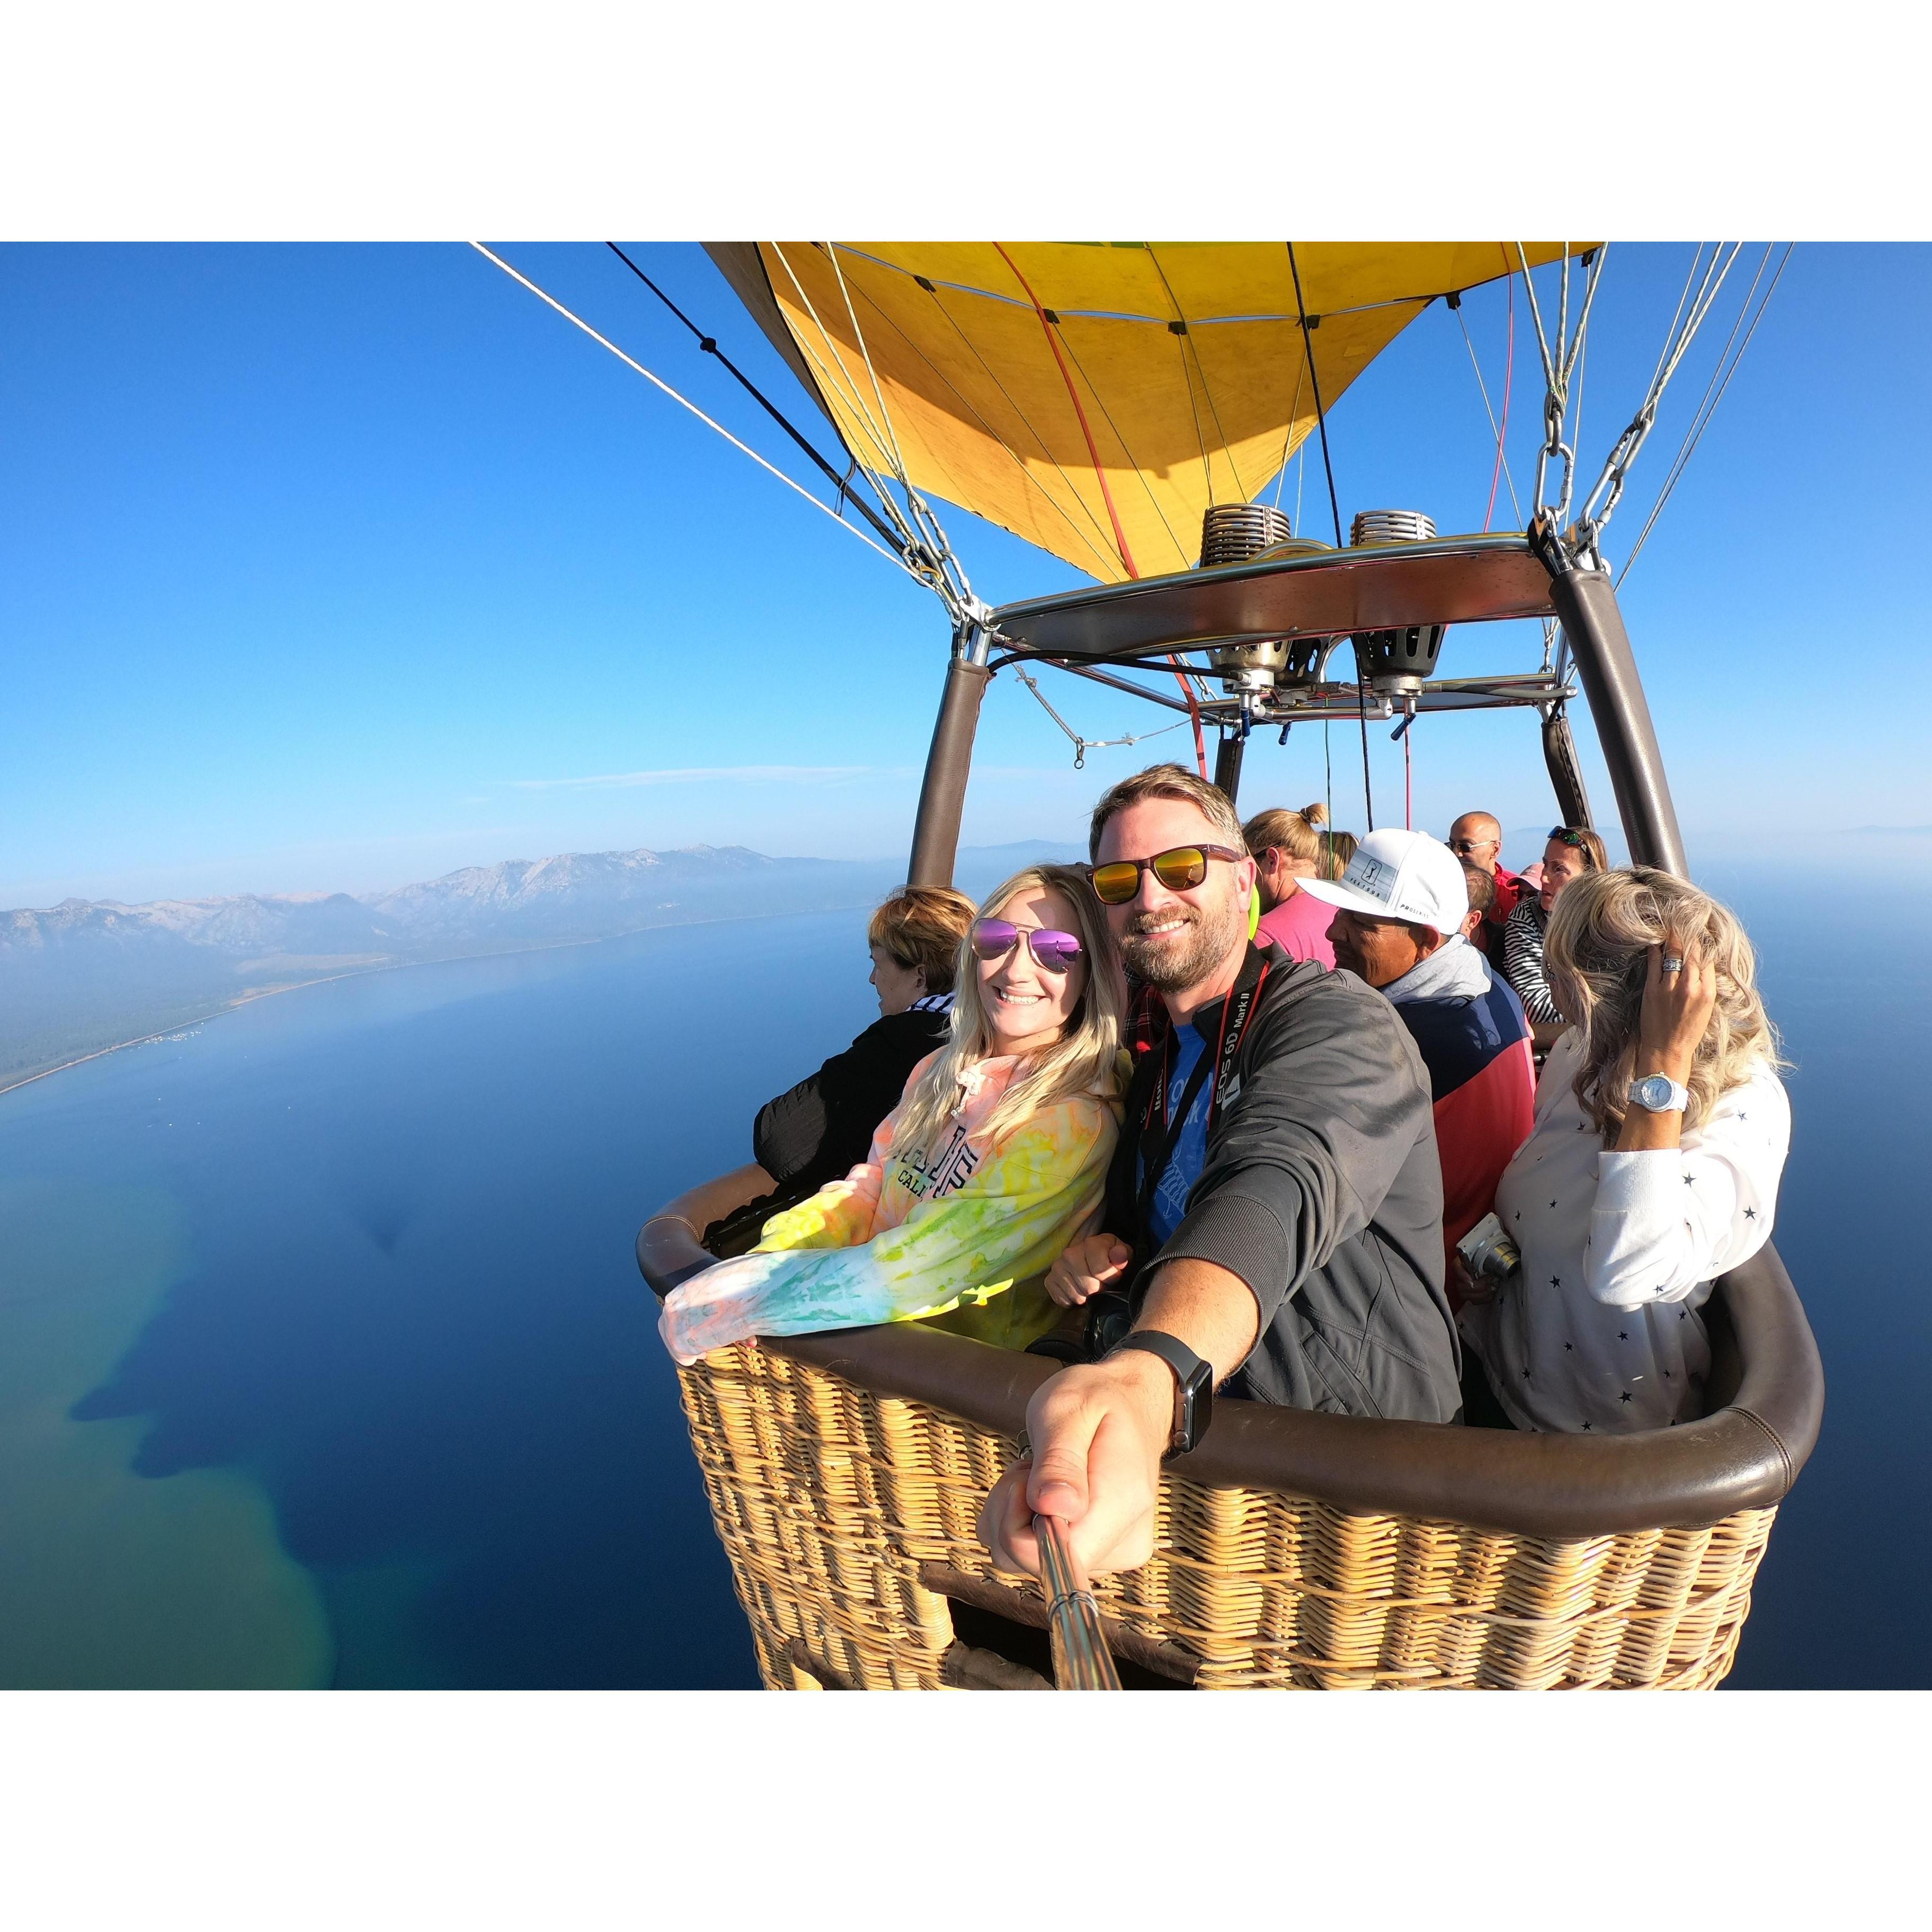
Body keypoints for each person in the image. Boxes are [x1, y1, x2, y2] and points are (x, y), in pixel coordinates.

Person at [977, 764, 1459, 1585]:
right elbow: (1168, 1207)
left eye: (1182, 867)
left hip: (1348, 1468)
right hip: (1206, 1458)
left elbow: (1276, 1180)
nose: (1149, 895)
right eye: (1119, 879)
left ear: (1244, 880)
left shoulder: (1336, 1022)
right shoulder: (1157, 1060)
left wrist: (1150, 1370)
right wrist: (1107, 1252)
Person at [660, 865, 1126, 1362]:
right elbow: (869, 1189)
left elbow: (938, 1260)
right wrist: (765, 1262)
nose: (1015, 970)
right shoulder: (937, 1069)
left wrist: (760, 1300)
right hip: (865, 1345)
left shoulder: (1071, 1121)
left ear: (1089, 973)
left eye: (1055, 950)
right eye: (998, 939)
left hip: (947, 1379)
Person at [1459, 868, 1790, 1434]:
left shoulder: (1741, 1104)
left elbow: (1631, 1269)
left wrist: (1662, 1064)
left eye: (1559, 972)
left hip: (1600, 1440)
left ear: (1613, 995)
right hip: (1501, 1368)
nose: (1548, 987)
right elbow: (1547, 1182)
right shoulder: (1582, 1047)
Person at [1298, 830, 1536, 1305]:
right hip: (1471, 1269)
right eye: (1340, 912)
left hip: (1410, 1290)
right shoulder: (1487, 984)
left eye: (1361, 922)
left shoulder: (1391, 1043)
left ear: (1426, 939)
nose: (1332, 932)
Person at [706, 886, 976, 1250]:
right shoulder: (982, 1030)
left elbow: (779, 1142)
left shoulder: (908, 1041)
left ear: (919, 976)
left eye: (878, 964)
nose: (872, 979)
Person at [1503, 825, 1609, 1023]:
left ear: (1589, 879)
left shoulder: (1612, 921)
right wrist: (1605, 1020)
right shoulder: (1527, 916)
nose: (1544, 877)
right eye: (1546, 865)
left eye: (1559, 869)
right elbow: (1536, 1007)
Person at [1242, 800, 1336, 967]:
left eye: (1248, 866)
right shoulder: (1343, 913)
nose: (1245, 877)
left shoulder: (1266, 938)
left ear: (1272, 860)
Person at [1448, 811, 1525, 960]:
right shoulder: (1440, 884)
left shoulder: (1515, 891)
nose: (1457, 853)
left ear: (1495, 849)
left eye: (1465, 847)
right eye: (1452, 845)